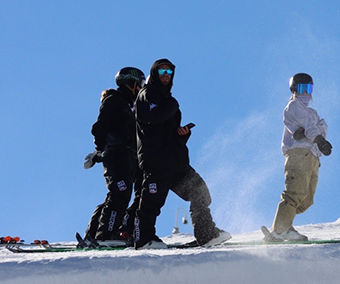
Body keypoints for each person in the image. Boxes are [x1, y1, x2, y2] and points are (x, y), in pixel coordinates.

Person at [133, 58, 230, 249]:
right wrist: (172, 106)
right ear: (154, 74)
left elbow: (166, 129)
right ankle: (143, 239)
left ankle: (206, 234)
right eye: (162, 72)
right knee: (152, 201)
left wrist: (182, 134)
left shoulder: (168, 99)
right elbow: (153, 117)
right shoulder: (148, 94)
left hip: (175, 160)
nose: (166, 75)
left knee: (199, 191)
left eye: (169, 72)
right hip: (157, 160)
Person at [263, 73, 332, 243]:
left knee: (307, 199)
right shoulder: (293, 106)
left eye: (308, 89)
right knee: (295, 193)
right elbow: (311, 127)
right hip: (299, 154)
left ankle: (284, 225)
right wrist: (318, 138)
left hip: (313, 157)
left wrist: (317, 137)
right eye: (301, 88)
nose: (305, 93)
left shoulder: (312, 112)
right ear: (294, 89)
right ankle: (280, 230)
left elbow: (322, 126)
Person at [83, 66, 146, 246]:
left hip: (128, 157)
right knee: (119, 193)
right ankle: (105, 235)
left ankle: (93, 234)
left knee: (120, 195)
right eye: (140, 85)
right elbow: (99, 128)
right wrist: (102, 149)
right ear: (130, 84)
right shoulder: (114, 100)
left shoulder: (129, 106)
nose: (141, 89)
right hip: (118, 155)